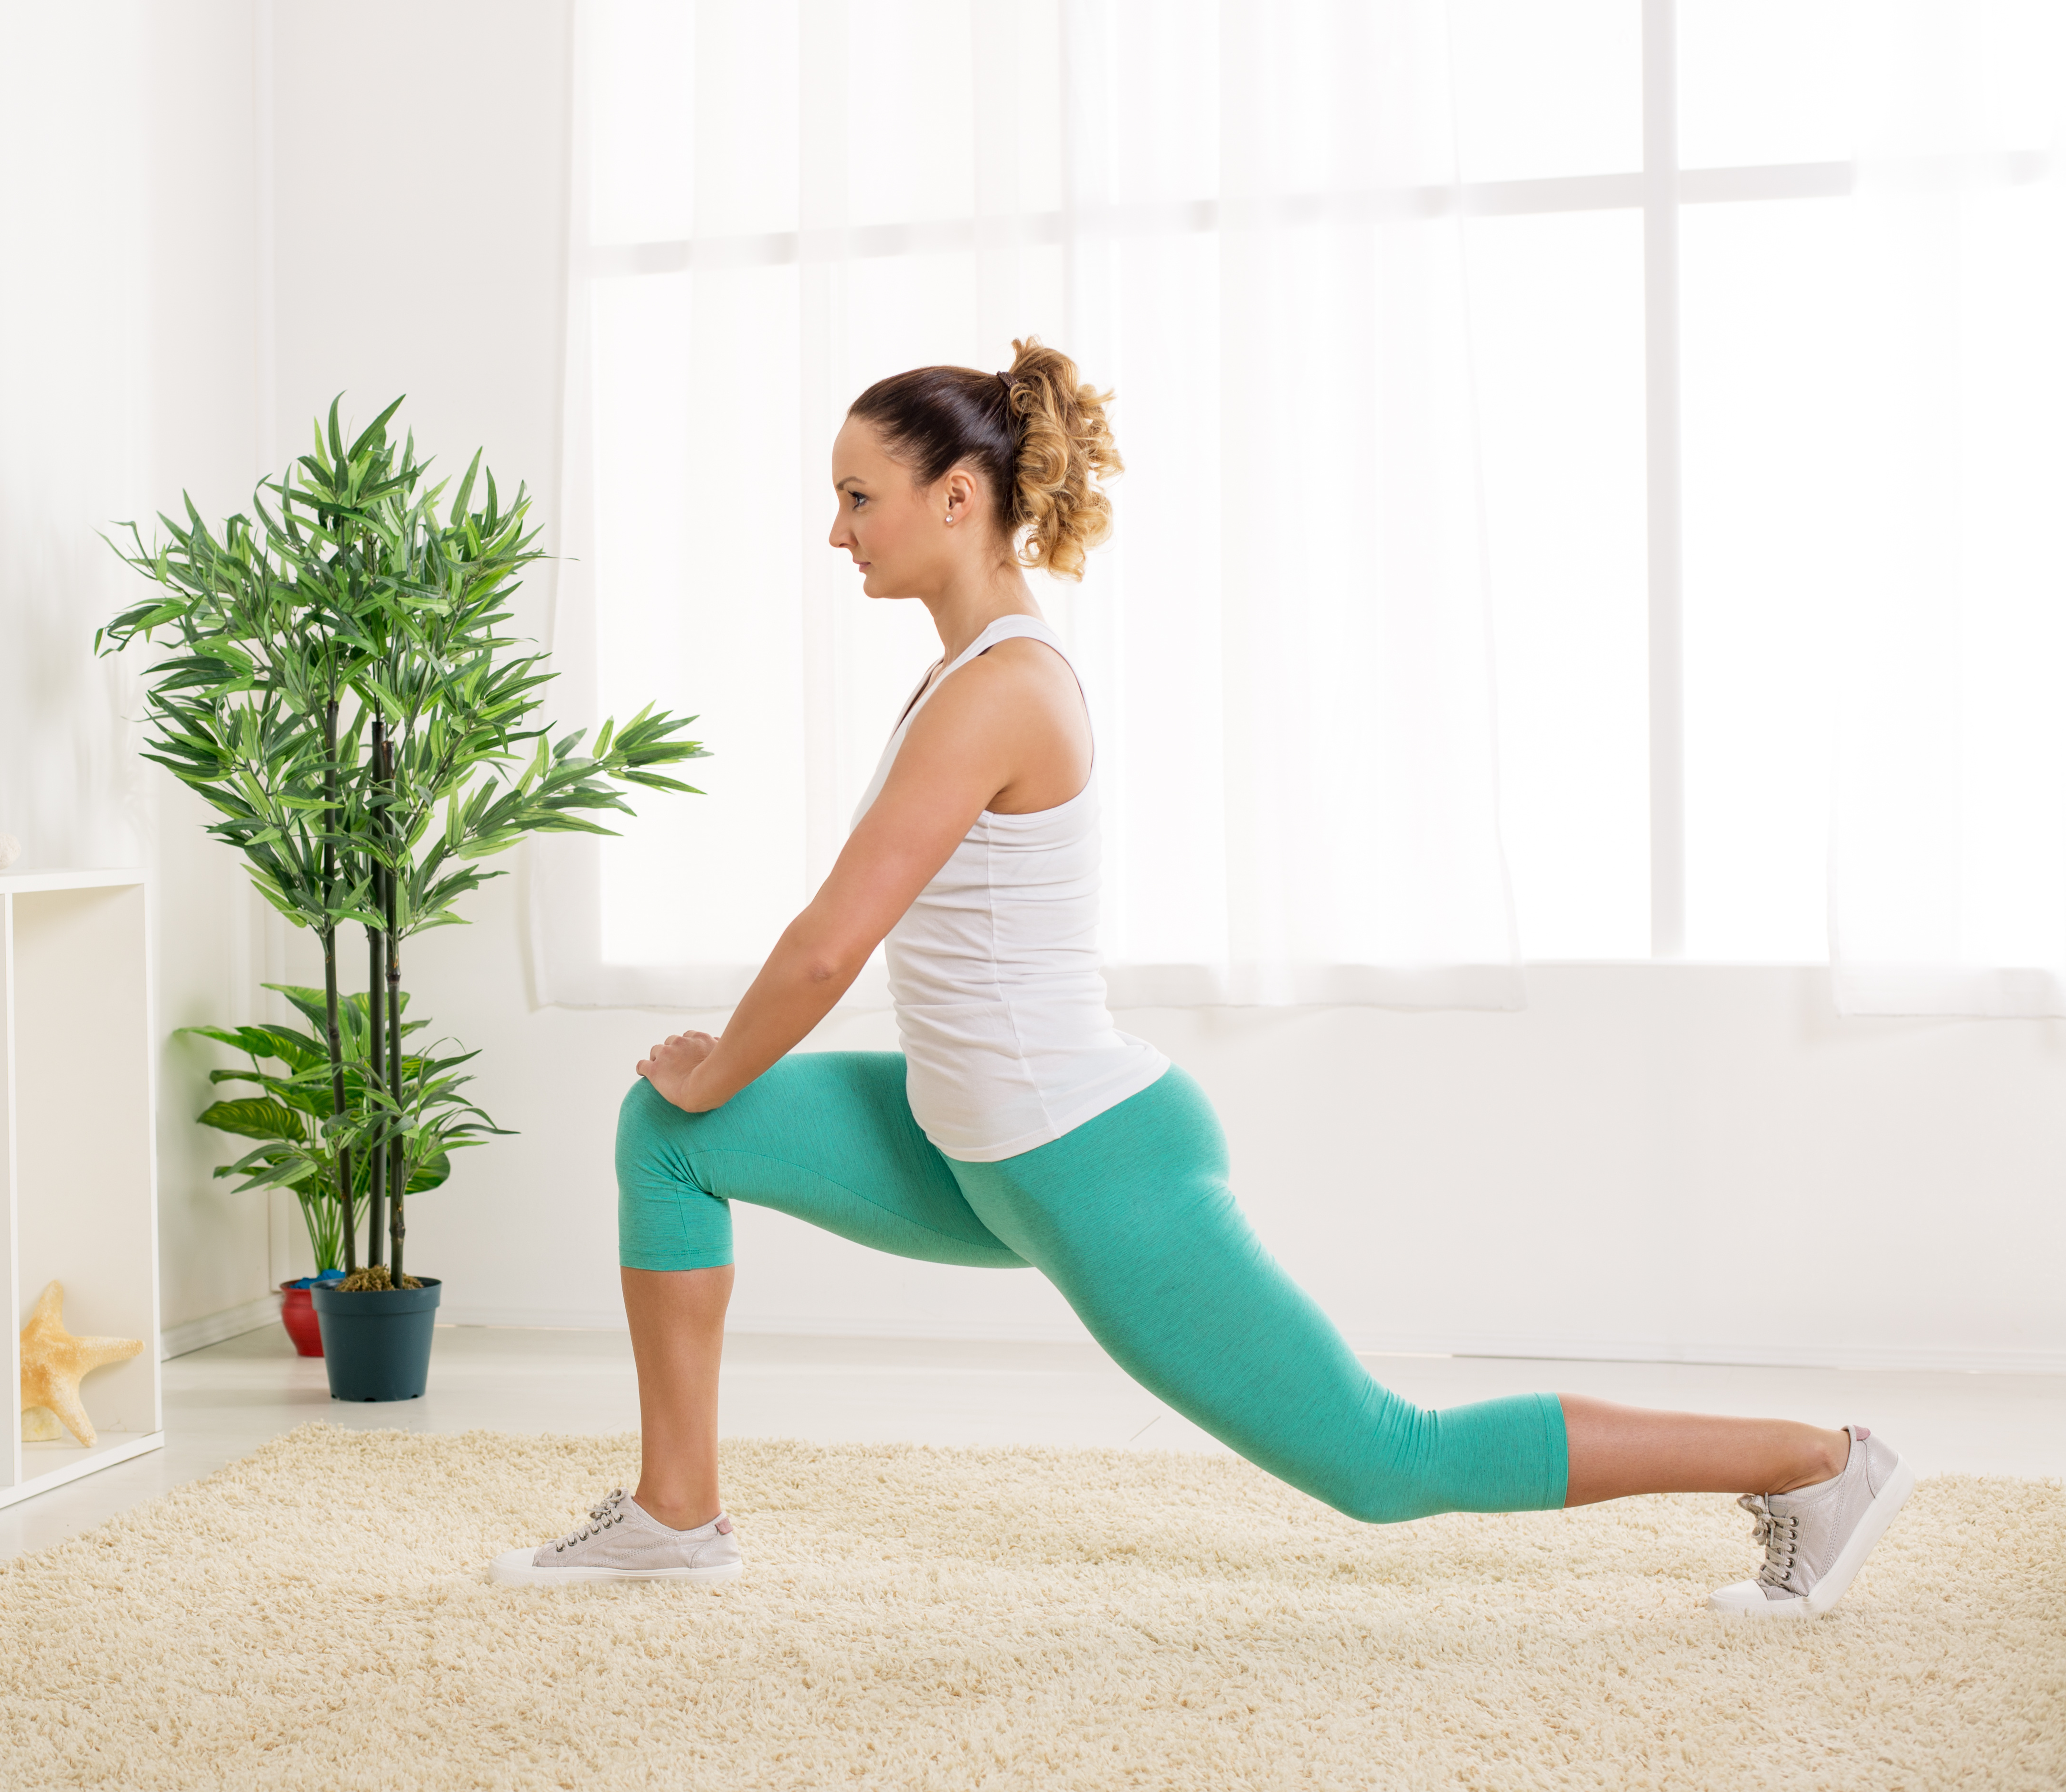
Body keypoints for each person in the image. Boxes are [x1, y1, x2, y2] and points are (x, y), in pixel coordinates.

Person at [490, 339, 1913, 1617]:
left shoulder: (1002, 686)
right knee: (666, 1138)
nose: (834, 529)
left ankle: (1818, 1463)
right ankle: (675, 1516)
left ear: (955, 499)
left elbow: (824, 946)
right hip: (970, 1142)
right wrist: (701, 1088)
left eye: (858, 496)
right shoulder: (959, 676)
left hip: (1082, 1160)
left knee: (1381, 1460)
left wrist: (717, 1060)